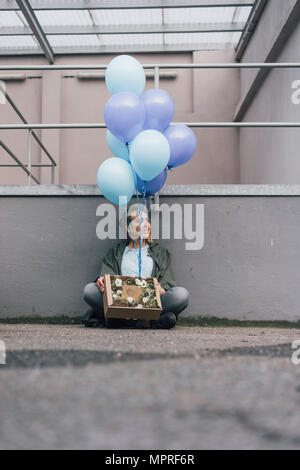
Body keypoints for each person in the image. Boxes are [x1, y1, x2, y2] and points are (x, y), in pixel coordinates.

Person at [82, 206, 189, 329]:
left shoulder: (161, 253)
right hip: (121, 302)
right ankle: (148, 321)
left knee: (181, 295)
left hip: (150, 302)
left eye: (147, 220)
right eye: (139, 221)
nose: (145, 225)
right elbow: (106, 277)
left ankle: (123, 321)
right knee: (89, 290)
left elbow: (167, 283)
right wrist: (102, 281)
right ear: (128, 228)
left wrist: (161, 289)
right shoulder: (116, 253)